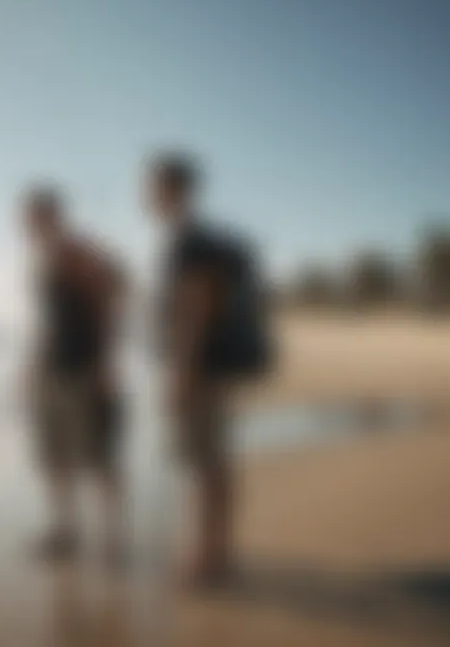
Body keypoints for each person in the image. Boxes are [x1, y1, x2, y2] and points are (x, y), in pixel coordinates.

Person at [145, 151, 273, 588]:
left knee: (203, 465)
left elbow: (195, 310)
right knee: (215, 463)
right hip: (212, 370)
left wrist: (181, 375)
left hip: (200, 372)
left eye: (151, 186)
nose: (145, 195)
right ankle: (220, 550)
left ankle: (207, 558)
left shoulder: (188, 242)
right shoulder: (199, 239)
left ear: (172, 190)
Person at [23, 185, 127, 567]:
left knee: (99, 458)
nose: (31, 226)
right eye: (28, 220)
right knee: (54, 457)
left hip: (84, 371)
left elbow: (113, 295)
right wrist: (33, 364)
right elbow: (50, 321)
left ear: (54, 216)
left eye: (37, 217)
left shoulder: (76, 253)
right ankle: (65, 533)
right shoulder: (42, 261)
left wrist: (106, 362)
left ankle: (113, 540)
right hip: (53, 371)